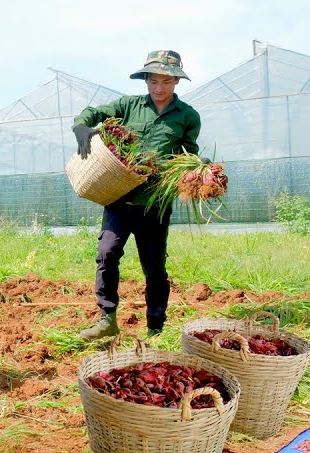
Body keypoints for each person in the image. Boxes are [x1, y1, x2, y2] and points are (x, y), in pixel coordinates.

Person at [71, 50, 202, 340]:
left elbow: (188, 154)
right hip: (118, 198)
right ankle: (107, 318)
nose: (159, 88)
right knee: (107, 254)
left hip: (154, 204)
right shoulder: (129, 106)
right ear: (146, 80)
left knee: (154, 267)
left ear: (176, 82)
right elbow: (92, 113)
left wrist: (195, 171)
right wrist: (82, 127)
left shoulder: (188, 117)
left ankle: (156, 326)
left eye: (166, 82)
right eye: (153, 81)